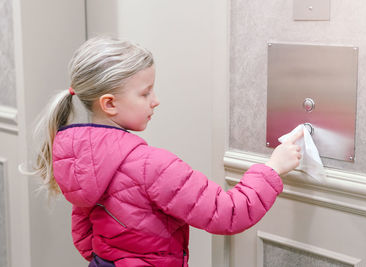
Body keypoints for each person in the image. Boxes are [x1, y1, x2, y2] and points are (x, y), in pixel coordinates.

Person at [33, 36, 302, 267]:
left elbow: (84, 238)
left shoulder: (79, 161)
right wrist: (273, 168)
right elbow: (227, 212)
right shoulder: (152, 166)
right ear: (110, 104)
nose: (155, 100)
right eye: (145, 93)